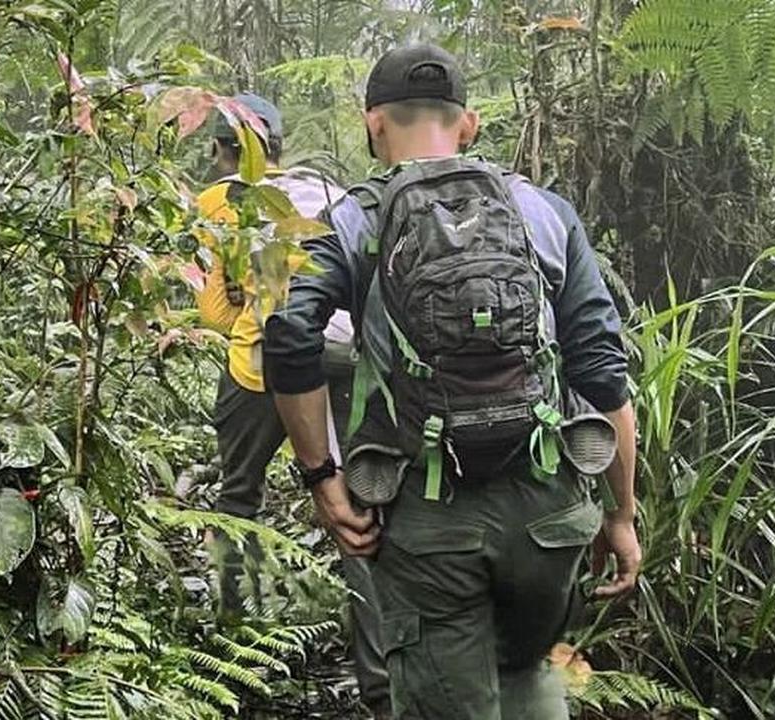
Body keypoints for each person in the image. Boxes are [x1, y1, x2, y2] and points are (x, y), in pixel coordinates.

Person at [261, 45, 641, 719]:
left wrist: (323, 478)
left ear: (374, 123)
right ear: (466, 124)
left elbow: (291, 335)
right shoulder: (544, 214)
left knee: (446, 694)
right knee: (525, 673)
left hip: (427, 514)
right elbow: (602, 367)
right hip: (548, 510)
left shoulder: (356, 220)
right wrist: (620, 514)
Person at [193, 93, 390, 718]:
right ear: (278, 146)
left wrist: (246, 306)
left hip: (263, 366)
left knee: (238, 499)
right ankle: (381, 679)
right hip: (343, 355)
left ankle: (234, 644)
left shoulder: (219, 202)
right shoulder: (325, 190)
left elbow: (215, 311)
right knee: (354, 510)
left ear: (223, 151)